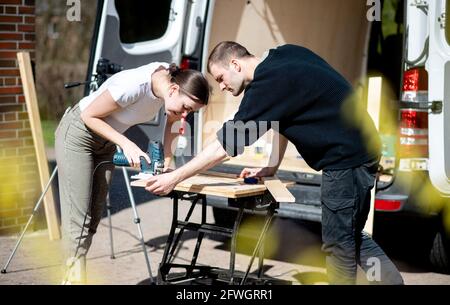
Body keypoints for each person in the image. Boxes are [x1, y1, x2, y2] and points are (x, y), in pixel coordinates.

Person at [144, 42, 404, 285]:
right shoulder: (284, 55)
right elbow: (283, 115)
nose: (221, 87)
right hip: (361, 150)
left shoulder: (267, 84)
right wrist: (272, 166)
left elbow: (224, 147)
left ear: (235, 64)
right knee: (350, 238)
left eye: (221, 78)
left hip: (345, 160)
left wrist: (174, 177)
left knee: (339, 247)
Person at [55, 62, 210, 284]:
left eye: (191, 112)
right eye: (186, 107)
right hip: (79, 136)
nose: (185, 115)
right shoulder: (134, 85)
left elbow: (173, 122)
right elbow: (89, 116)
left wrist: (165, 165)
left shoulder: (170, 81)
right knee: (77, 221)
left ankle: (73, 275)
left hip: (105, 142)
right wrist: (126, 145)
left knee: (92, 219)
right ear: (174, 90)